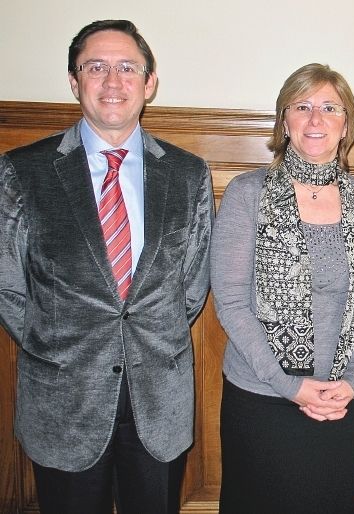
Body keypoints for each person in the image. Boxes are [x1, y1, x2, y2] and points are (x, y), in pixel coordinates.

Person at [0, 19, 213, 514]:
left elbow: (192, 285)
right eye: (96, 68)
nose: (112, 82)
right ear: (74, 82)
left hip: (159, 402)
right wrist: (57, 345)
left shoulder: (187, 173)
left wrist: (150, 336)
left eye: (126, 68)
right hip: (63, 401)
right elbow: (9, 287)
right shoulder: (23, 171)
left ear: (149, 82)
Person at [211, 62, 354, 514]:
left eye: (330, 107)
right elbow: (231, 301)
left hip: (342, 401)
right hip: (262, 397)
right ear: (284, 120)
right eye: (303, 106)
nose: (316, 119)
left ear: (345, 124)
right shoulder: (247, 193)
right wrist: (288, 385)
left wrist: (350, 383)